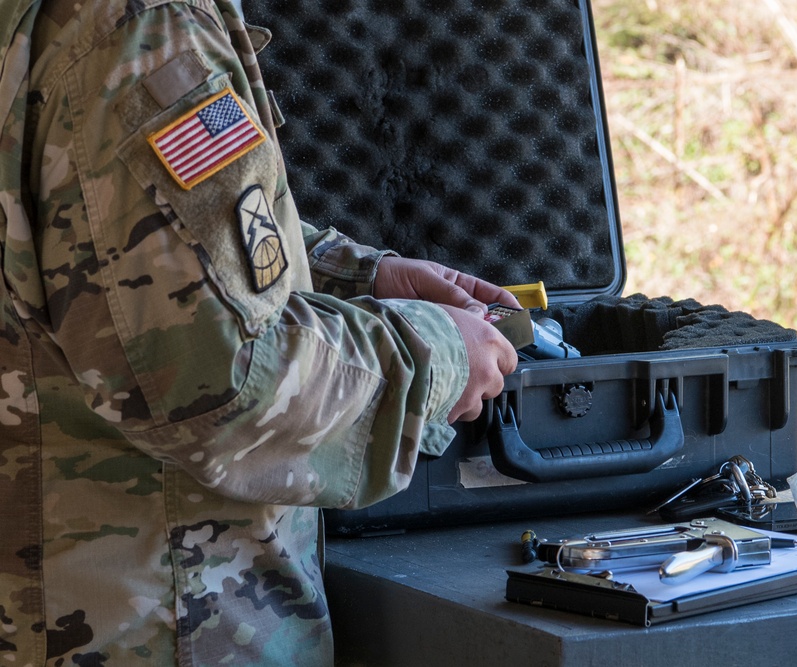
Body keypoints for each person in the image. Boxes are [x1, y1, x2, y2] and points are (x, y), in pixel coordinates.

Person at [0, 0, 519, 664]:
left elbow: (100, 234)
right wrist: (438, 356)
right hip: (151, 630)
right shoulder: (141, 27)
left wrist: (352, 277)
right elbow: (224, 382)